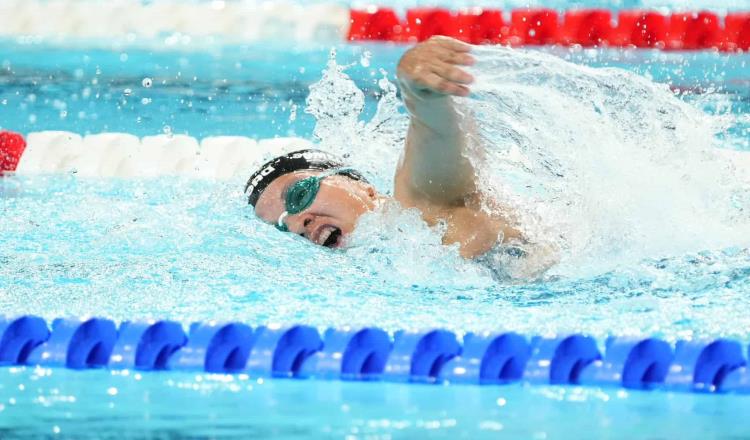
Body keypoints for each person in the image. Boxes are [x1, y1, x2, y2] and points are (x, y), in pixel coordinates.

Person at [246, 36, 536, 270]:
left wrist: (419, 93)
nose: (298, 224)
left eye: (298, 195)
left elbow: (436, 137)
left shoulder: (420, 211)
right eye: (282, 227)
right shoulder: (385, 263)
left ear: (359, 185)